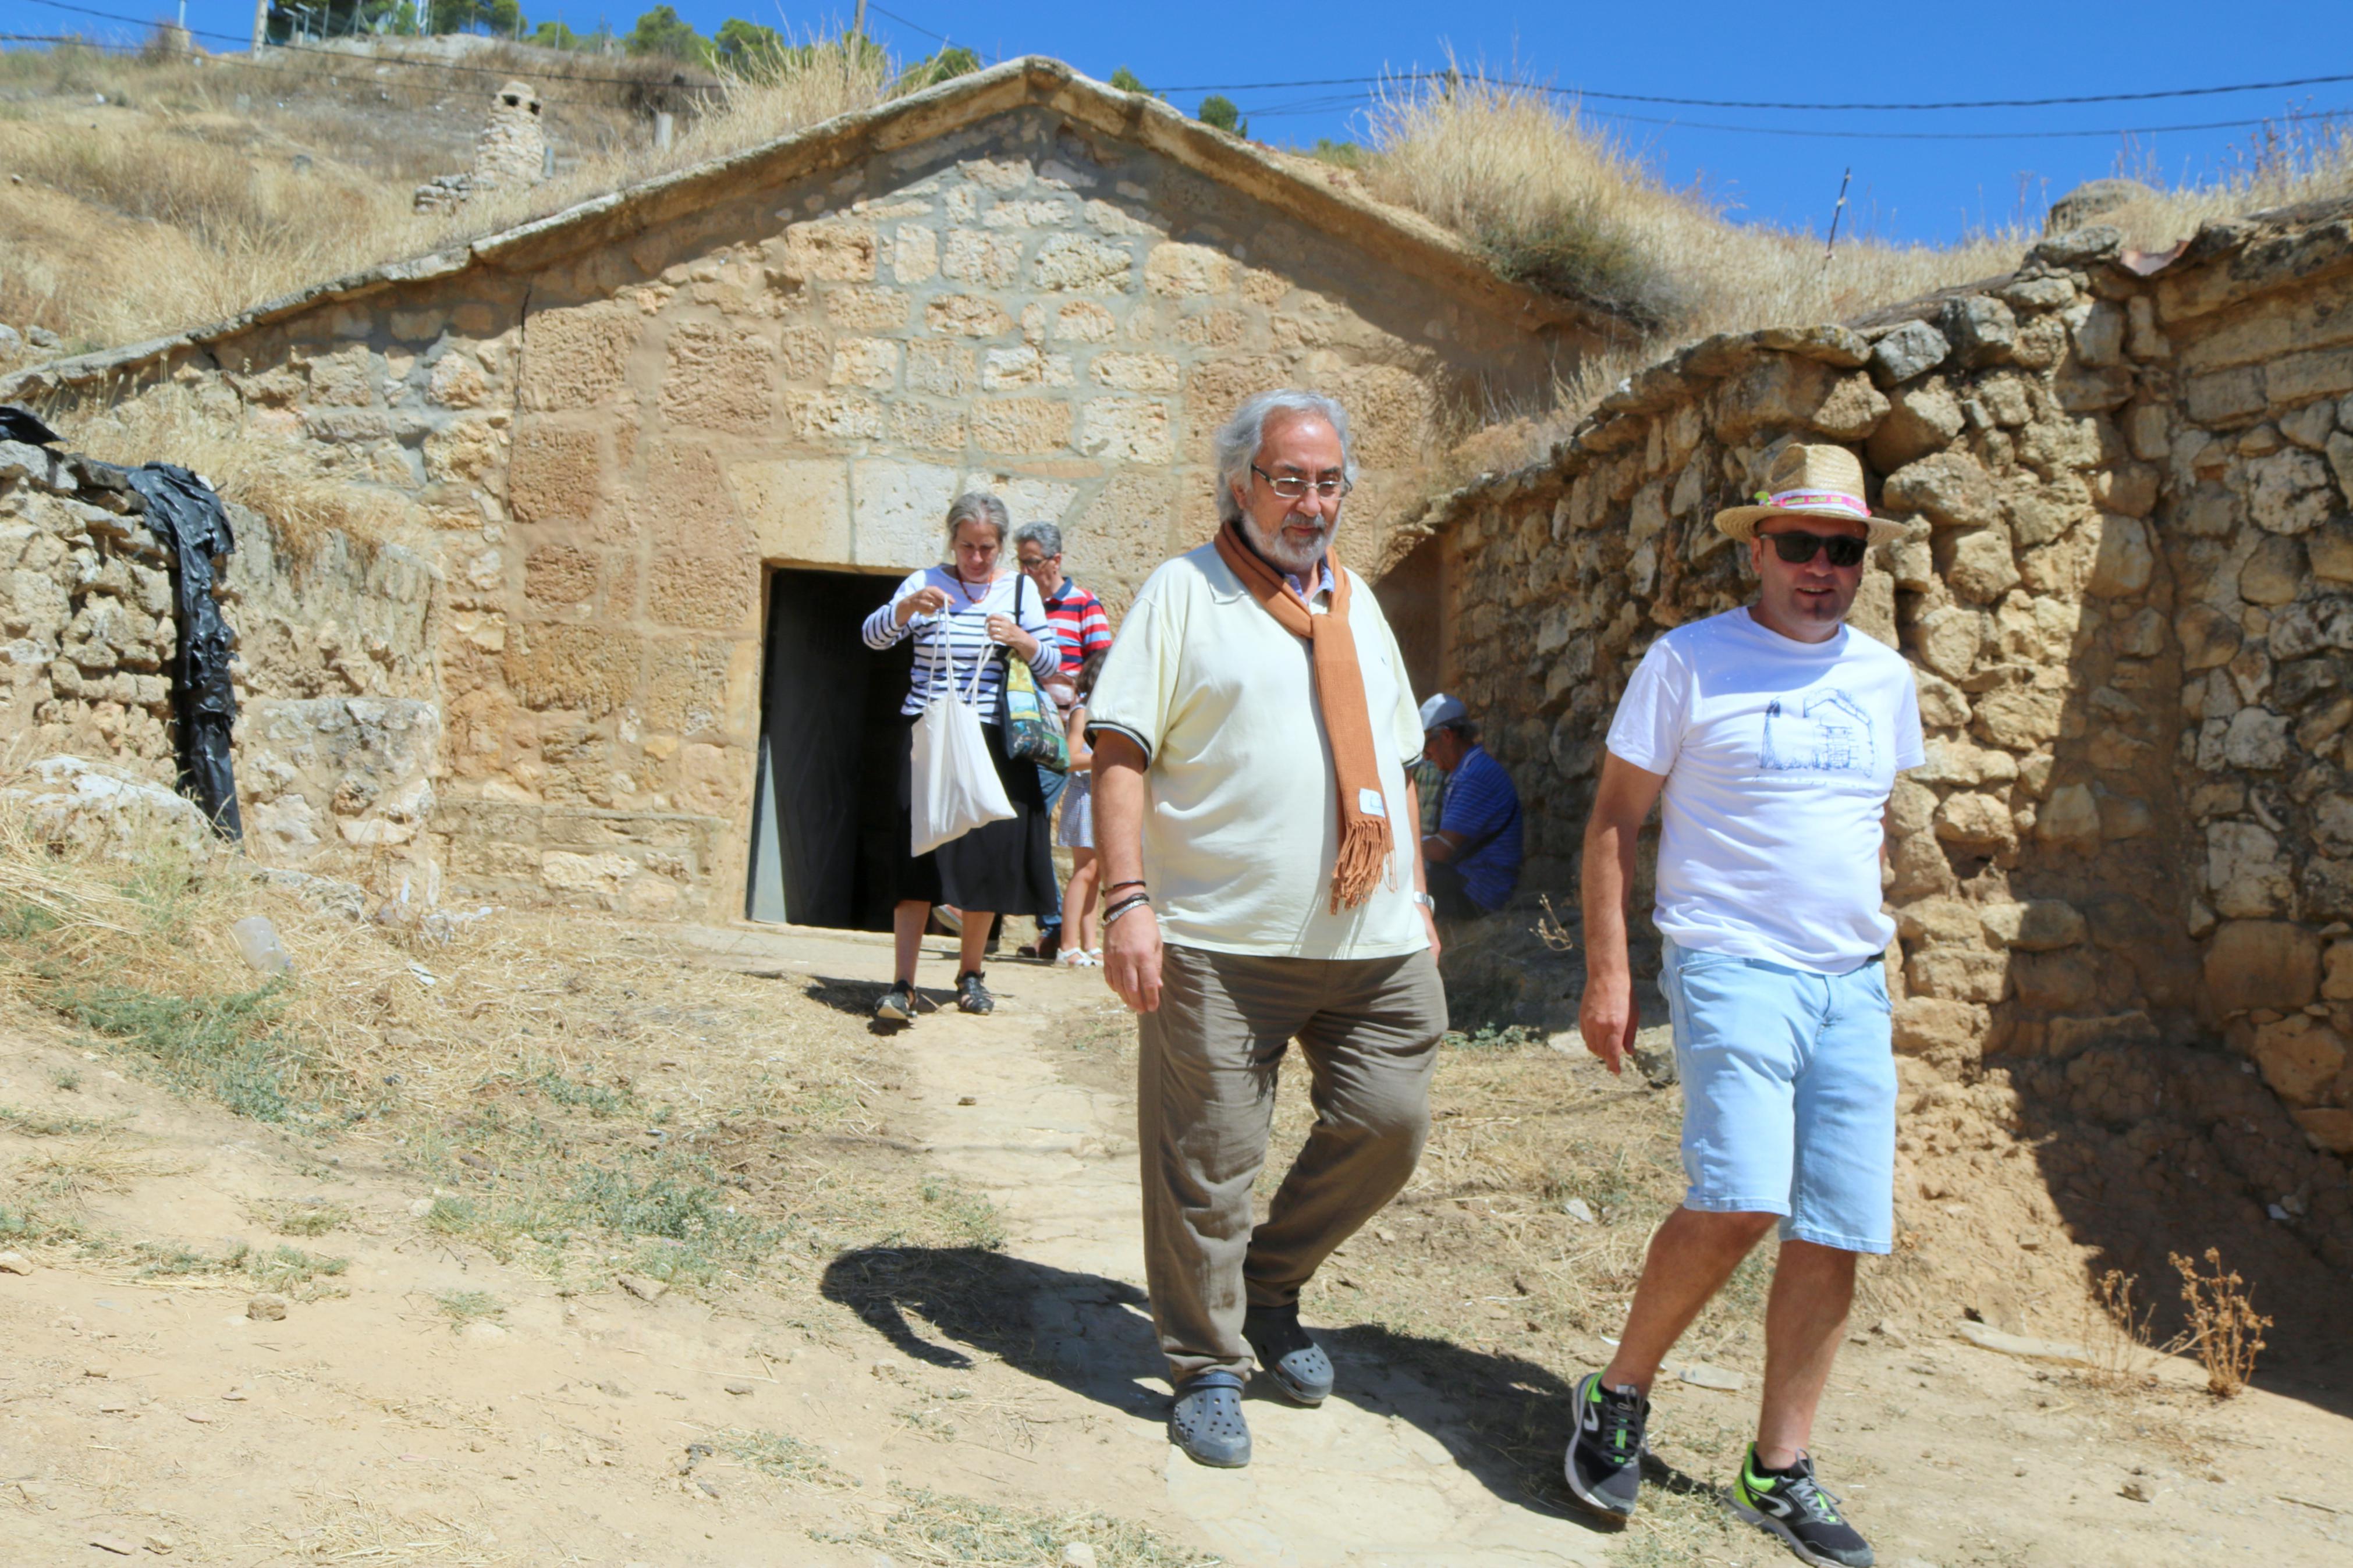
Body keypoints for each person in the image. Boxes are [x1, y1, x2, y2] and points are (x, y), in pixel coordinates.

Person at [1566, 443, 1918, 1568]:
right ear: (1757, 550)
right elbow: (1613, 819)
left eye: (1843, 550)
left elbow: (1871, 825)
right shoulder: (1687, 662)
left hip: (1850, 981)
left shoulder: (1884, 680)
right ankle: (1617, 1393)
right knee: (1741, 1195)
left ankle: (1778, 1466)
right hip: (1729, 963)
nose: (1822, 569)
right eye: (1800, 545)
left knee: (1836, 1225)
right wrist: (1610, 974)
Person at [1088, 389, 1445, 1470]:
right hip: (1218, 939)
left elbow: (1398, 764)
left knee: (1389, 1123)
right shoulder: (1183, 593)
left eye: (1328, 482)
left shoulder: (1358, 604)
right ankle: (1205, 1362)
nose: (1310, 502)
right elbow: (1118, 749)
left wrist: (1418, 896)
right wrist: (1127, 899)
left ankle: (1271, 1282)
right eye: (1288, 480)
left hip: (1371, 938)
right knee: (1209, 1161)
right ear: (1239, 483)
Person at [859, 493, 1063, 1023]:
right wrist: (907, 608)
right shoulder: (923, 581)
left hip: (992, 739)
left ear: (1001, 545)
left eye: (987, 548)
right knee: (917, 853)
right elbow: (873, 638)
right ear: (952, 540)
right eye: (967, 546)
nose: (976, 558)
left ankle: (971, 974)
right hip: (928, 735)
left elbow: (1053, 664)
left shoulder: (1019, 590)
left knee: (987, 857)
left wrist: (1019, 639)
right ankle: (902, 983)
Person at [1013, 522, 1114, 963]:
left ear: (1056, 561)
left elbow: (1104, 667)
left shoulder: (1083, 604)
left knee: (1028, 817)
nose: (1025, 571)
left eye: (1032, 562)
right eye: (1020, 562)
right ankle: (1060, 930)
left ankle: (1059, 929)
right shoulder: (1018, 602)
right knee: (1023, 818)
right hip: (1024, 731)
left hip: (1061, 733)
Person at [1415, 693, 1522, 922]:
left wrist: (1402, 847)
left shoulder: (1475, 777)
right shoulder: (1467, 771)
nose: (1426, 756)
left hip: (1479, 891)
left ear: (1447, 736)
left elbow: (1441, 850)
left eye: (1426, 746)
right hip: (1472, 881)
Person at [1054, 649, 1109, 966]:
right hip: (1084, 796)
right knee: (1085, 871)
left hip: (1099, 796)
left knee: (1097, 872)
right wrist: (1106, 758)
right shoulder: (1083, 712)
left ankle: (1090, 944)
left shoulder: (1103, 711)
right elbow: (1070, 758)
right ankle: (1067, 945)